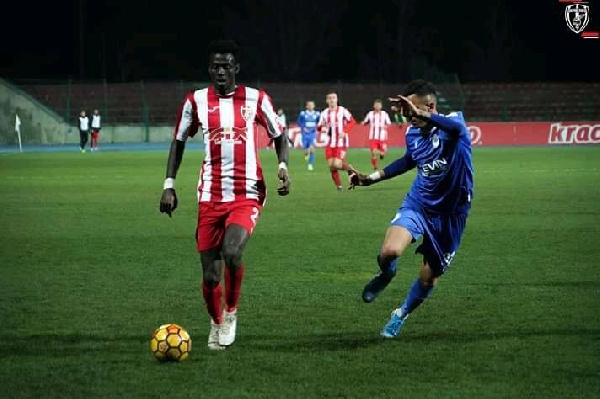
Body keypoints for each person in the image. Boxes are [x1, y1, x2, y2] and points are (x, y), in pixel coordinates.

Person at [158, 40, 290, 350]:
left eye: (226, 66)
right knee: (210, 275)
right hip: (210, 195)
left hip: (247, 192)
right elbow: (177, 143)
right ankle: (216, 321)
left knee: (232, 252)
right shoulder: (196, 101)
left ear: (236, 69)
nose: (220, 71)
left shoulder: (256, 99)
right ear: (209, 70)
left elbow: (279, 135)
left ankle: (231, 313)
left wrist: (283, 165)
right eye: (215, 66)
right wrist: (168, 185)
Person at [349, 80, 473, 338]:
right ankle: (387, 273)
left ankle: (400, 314)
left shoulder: (454, 124)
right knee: (389, 251)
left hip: (451, 214)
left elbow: (458, 128)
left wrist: (420, 113)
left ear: (429, 106)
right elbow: (408, 161)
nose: (408, 117)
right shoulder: (412, 133)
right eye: (406, 112)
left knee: (429, 277)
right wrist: (370, 179)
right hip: (420, 203)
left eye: (413, 110)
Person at [317, 92, 356, 190]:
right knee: (331, 166)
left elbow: (352, 122)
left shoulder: (342, 110)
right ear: (327, 101)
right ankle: (339, 186)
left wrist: (345, 131)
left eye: (333, 98)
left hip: (341, 141)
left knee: (337, 164)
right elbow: (318, 128)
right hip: (330, 142)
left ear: (336, 100)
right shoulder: (324, 113)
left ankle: (350, 169)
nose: (331, 100)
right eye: (329, 98)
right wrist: (321, 126)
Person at [362, 99, 392, 170]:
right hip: (372, 137)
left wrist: (386, 126)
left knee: (382, 153)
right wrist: (363, 123)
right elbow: (366, 121)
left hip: (382, 137)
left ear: (381, 106)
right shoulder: (370, 113)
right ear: (374, 106)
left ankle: (382, 154)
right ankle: (375, 166)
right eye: (376, 105)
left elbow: (389, 124)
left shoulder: (384, 114)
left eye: (379, 105)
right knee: (373, 152)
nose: (377, 106)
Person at [297, 100, 320, 171]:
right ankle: (306, 153)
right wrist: (303, 128)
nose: (310, 106)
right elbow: (299, 122)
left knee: (312, 148)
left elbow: (319, 122)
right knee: (306, 149)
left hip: (312, 133)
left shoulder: (317, 114)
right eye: (309, 105)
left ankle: (310, 165)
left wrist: (317, 128)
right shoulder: (303, 114)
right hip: (305, 134)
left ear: (314, 106)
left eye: (312, 105)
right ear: (306, 106)